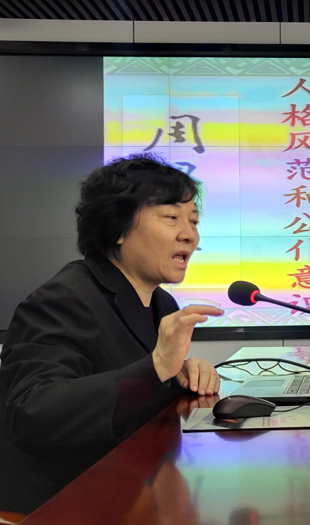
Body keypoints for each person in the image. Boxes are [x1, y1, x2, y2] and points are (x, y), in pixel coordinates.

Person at [0, 153, 223, 515]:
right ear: (117, 228)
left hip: (134, 489)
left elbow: (140, 386)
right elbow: (31, 414)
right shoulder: (63, 298)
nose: (189, 234)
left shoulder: (162, 303)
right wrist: (156, 368)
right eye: (171, 217)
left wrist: (182, 376)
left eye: (193, 220)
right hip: (63, 503)